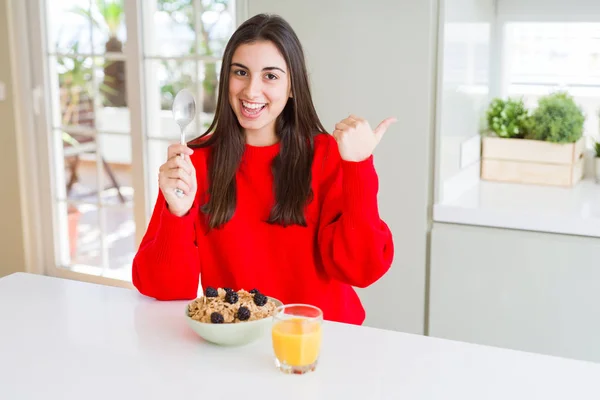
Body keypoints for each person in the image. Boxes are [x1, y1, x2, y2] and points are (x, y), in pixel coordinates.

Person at [132, 13, 395, 325]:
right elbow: (164, 287)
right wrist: (176, 214)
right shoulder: (194, 162)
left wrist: (359, 168)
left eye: (270, 76)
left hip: (321, 340)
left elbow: (361, 271)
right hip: (235, 343)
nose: (251, 91)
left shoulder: (328, 156)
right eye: (241, 72)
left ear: (293, 86)